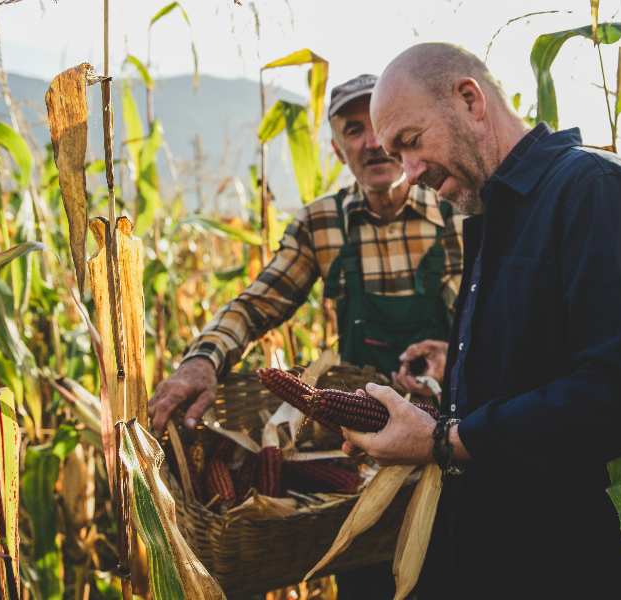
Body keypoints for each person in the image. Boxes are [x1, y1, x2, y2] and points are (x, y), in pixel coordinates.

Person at [342, 43, 621, 598]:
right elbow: (538, 367)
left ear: (469, 100)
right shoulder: (498, 216)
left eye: (411, 143)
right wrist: (456, 376)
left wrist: (442, 441)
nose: (407, 173)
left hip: (581, 569)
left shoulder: (597, 191)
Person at [148, 73, 464, 597]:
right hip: (361, 456)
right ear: (338, 151)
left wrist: (452, 355)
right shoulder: (320, 225)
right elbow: (255, 305)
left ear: (399, 133)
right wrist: (202, 362)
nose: (370, 142)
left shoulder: (453, 212)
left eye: (378, 126)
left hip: (442, 445)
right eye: (352, 130)